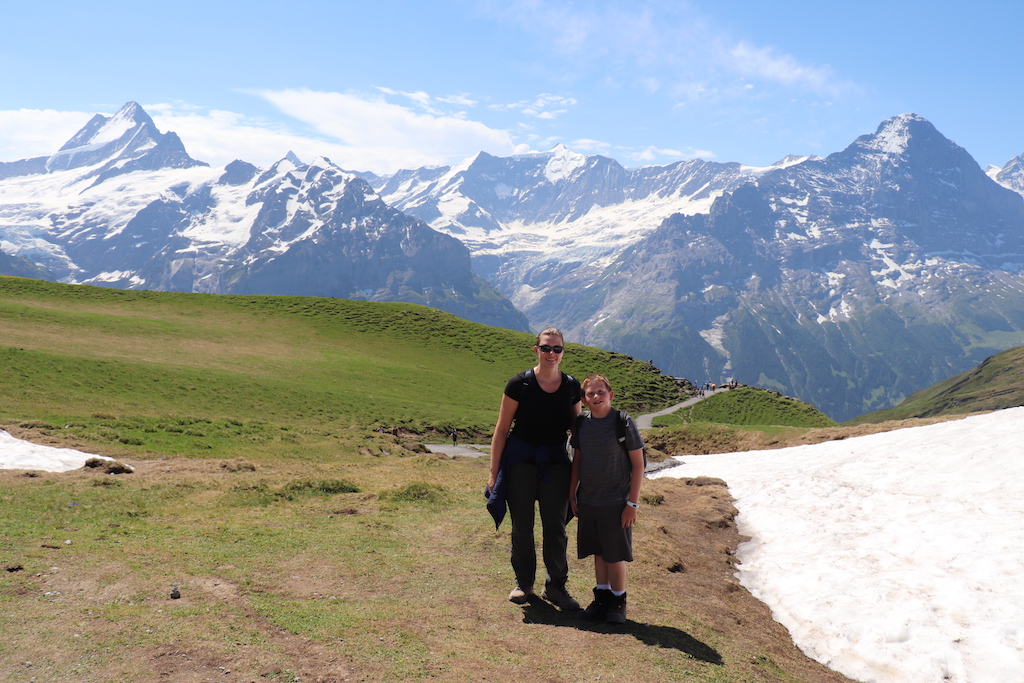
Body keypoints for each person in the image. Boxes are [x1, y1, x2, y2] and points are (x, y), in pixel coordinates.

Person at [486, 328, 582, 610]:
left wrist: (583, 473)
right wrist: (493, 473)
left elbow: (578, 432)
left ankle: (556, 586)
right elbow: (502, 430)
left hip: (556, 463)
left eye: (557, 349)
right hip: (521, 462)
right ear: (536, 350)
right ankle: (523, 583)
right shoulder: (520, 384)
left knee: (556, 527)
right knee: (522, 526)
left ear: (563, 352)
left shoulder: (571, 386)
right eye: (545, 348)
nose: (551, 354)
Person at [569, 373, 645, 624]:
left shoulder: (622, 422)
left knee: (614, 555)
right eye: (590, 394)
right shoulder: (581, 423)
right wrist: (572, 493)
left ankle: (618, 601)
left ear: (610, 395)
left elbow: (638, 464)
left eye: (601, 392)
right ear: (584, 399)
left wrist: (632, 504)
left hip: (616, 501)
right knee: (598, 553)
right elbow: (578, 460)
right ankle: (601, 597)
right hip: (589, 500)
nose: (596, 397)